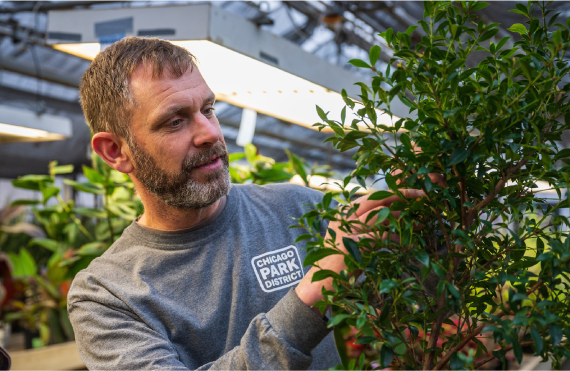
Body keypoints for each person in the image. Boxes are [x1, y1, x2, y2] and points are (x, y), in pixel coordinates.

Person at [68, 36, 424, 370]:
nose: (210, 133)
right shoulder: (106, 294)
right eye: (175, 122)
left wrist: (423, 213)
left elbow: (419, 297)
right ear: (115, 151)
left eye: (208, 109)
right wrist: (316, 292)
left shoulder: (298, 208)